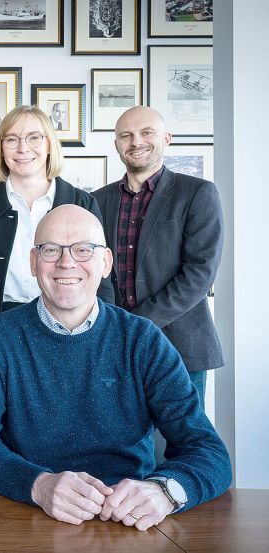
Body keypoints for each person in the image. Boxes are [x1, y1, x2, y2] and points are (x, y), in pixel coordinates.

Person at [0, 205, 230, 531]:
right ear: (33, 262)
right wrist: (39, 485)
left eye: (83, 249)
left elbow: (211, 453)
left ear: (106, 262)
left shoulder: (143, 340)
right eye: (51, 249)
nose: (66, 262)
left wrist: (164, 491)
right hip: (25, 515)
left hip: (126, 520)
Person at [0, 105, 112, 403]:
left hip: (69, 334)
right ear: (1, 149)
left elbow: (103, 288)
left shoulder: (82, 203)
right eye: (11, 139)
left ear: (49, 144)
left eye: (34, 138)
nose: (22, 148)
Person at [92, 106, 223, 403]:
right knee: (123, 444)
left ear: (167, 138)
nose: (136, 141)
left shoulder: (197, 193)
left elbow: (199, 274)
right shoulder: (98, 200)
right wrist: (114, 327)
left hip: (180, 346)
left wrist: (136, 325)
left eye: (146, 132)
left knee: (182, 444)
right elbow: (97, 270)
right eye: (126, 135)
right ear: (116, 146)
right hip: (114, 346)